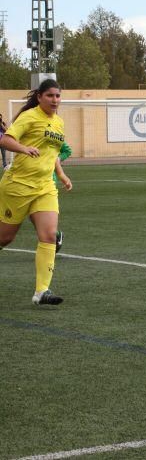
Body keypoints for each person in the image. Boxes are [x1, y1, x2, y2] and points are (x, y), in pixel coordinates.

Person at [0, 79, 72, 305]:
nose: (55, 100)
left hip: (45, 187)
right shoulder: (29, 116)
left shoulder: (59, 123)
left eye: (58, 96)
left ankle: (42, 291)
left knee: (50, 235)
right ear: (40, 97)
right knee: (5, 238)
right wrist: (24, 149)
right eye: (50, 95)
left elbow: (53, 153)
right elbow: (6, 140)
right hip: (18, 186)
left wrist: (60, 175)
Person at [51, 141, 72, 253]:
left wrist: (58, 159)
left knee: (39, 215)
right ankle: (55, 235)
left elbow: (67, 151)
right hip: (27, 181)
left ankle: (55, 236)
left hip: (48, 182)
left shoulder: (52, 133)